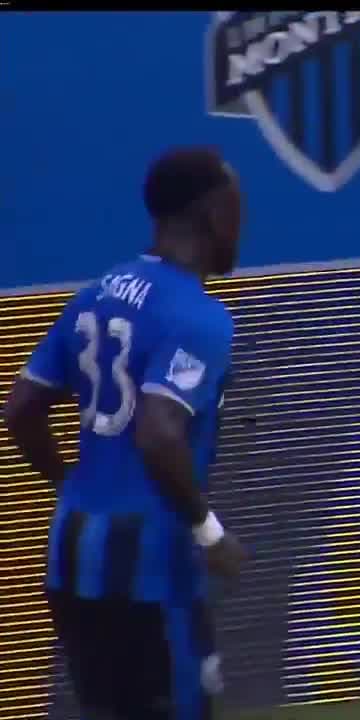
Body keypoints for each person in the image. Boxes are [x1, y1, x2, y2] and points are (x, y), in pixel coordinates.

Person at [2, 146, 249, 720]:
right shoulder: (199, 317)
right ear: (213, 213)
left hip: (73, 555)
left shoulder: (97, 294)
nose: (242, 226)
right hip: (152, 568)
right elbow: (159, 434)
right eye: (237, 209)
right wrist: (211, 534)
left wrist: (69, 482)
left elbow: (21, 410)